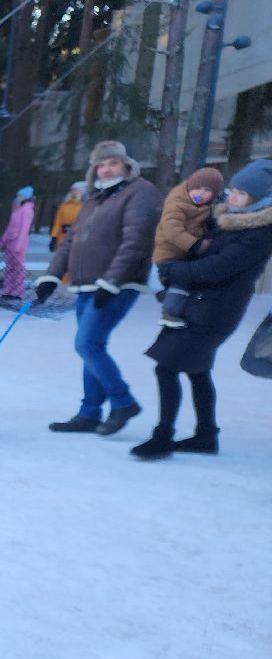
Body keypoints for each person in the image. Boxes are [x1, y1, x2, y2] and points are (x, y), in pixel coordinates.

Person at [132, 158, 272, 460]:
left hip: (214, 314)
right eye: (232, 190)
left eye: (241, 194)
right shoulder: (227, 221)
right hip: (196, 306)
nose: (231, 197)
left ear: (258, 200)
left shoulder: (259, 233)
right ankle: (206, 435)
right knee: (197, 371)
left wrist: (173, 271)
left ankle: (162, 436)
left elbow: (216, 269)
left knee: (166, 367)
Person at [35, 140, 161, 437]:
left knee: (87, 344)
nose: (106, 169)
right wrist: (51, 276)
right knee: (92, 347)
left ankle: (123, 401)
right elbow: (70, 241)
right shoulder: (95, 198)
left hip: (116, 285)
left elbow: (136, 242)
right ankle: (89, 413)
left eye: (113, 163)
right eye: (101, 165)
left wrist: (112, 281)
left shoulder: (140, 193)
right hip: (86, 285)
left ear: (126, 165)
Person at [151, 166, 224, 330]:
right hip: (168, 255)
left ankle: (171, 301)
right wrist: (195, 244)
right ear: (190, 186)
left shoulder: (205, 207)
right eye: (197, 188)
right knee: (181, 281)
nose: (201, 194)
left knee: (186, 281)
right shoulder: (177, 203)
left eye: (207, 191)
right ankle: (170, 312)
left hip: (184, 255)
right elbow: (172, 230)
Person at [0, 185, 35, 300]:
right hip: (10, 244)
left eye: (19, 195)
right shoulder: (17, 210)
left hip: (19, 244)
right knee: (9, 268)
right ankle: (7, 290)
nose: (17, 197)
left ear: (25, 197)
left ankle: (17, 292)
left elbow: (24, 229)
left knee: (19, 269)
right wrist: (2, 243)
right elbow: (9, 228)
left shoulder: (27, 210)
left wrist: (19, 245)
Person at [49, 181, 86, 253]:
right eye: (72, 190)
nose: (73, 192)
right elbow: (57, 223)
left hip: (76, 239)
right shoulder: (63, 205)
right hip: (62, 238)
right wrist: (54, 237)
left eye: (76, 190)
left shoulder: (84, 206)